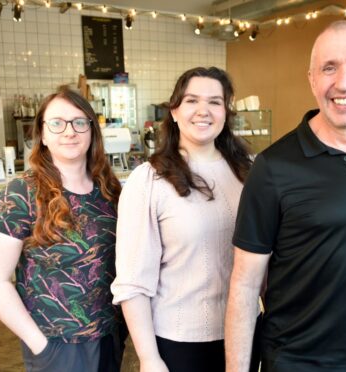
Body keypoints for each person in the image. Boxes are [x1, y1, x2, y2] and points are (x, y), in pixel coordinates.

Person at [225, 21, 346, 372]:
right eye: (329, 67)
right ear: (312, 79)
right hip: (299, 362)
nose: (343, 82)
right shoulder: (273, 167)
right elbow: (244, 285)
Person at [111, 67, 258, 372]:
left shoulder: (250, 172)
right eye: (192, 100)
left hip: (246, 332)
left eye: (215, 102)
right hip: (180, 342)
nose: (203, 111)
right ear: (174, 111)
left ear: (226, 112)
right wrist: (149, 359)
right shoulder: (148, 181)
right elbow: (133, 282)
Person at [0, 87, 125, 372]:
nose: (69, 131)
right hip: (56, 344)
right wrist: (40, 345)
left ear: (92, 131)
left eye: (79, 122)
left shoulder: (108, 189)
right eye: (57, 123)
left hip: (110, 335)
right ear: (43, 135)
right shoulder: (22, 193)